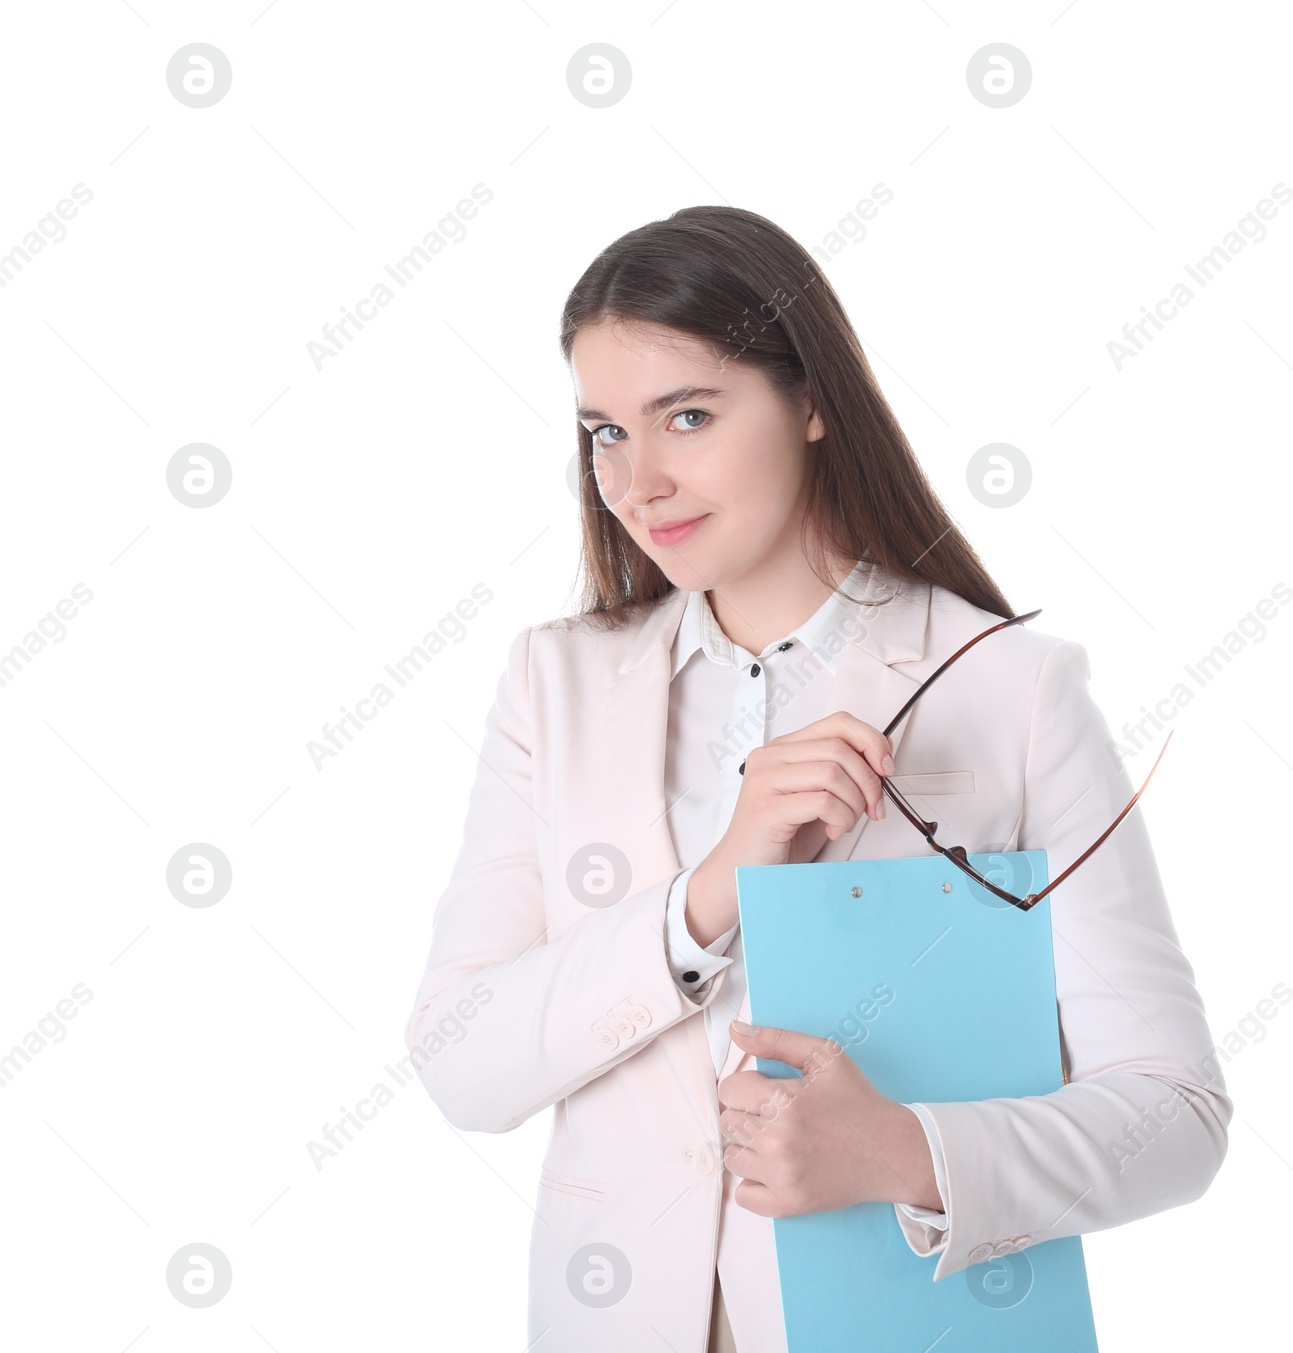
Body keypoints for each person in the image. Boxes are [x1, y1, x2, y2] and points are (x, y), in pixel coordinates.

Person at [402, 205, 1231, 1353]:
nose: (638, 482)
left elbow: (1175, 1117)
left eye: (686, 416)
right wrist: (714, 890)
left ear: (810, 402)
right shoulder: (555, 684)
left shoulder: (1009, 691)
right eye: (603, 432)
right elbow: (461, 1064)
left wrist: (904, 1153)